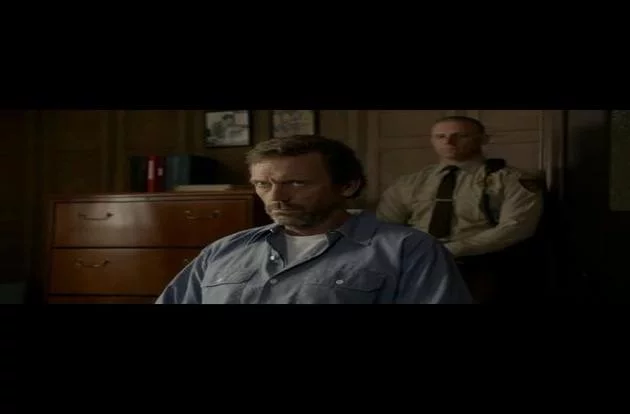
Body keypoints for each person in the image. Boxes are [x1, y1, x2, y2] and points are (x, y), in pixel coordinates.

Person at [156, 135, 472, 304]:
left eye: (296, 183)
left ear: (347, 186)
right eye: (263, 184)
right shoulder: (224, 250)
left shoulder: (408, 250)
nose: (276, 197)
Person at [376, 116, 545, 302]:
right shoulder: (409, 183)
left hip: (480, 263)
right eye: (440, 136)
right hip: (418, 263)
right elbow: (386, 226)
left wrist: (451, 249)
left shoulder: (510, 179)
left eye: (461, 136)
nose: (449, 142)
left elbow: (516, 227)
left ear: (483, 139)